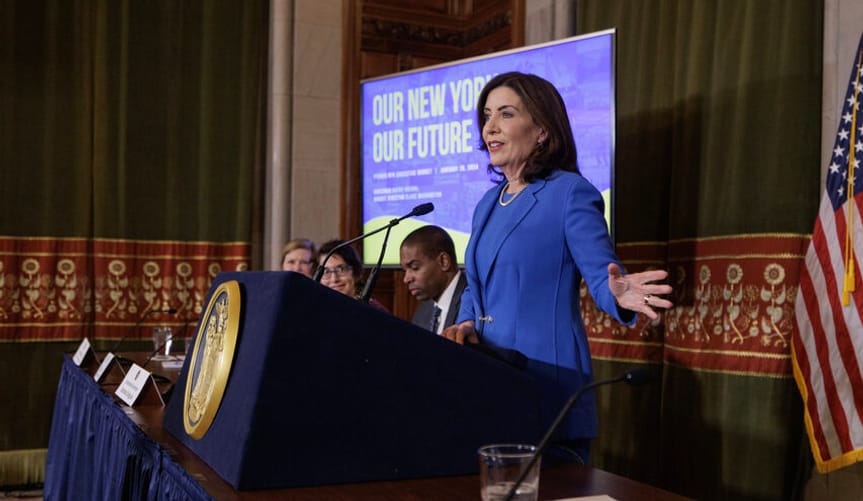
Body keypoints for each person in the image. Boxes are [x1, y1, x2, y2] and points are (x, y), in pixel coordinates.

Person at [441, 72, 672, 464]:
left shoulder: (570, 193)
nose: (490, 127)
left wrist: (617, 292)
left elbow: (601, 274)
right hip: (488, 378)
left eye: (506, 114)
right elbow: (477, 288)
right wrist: (465, 323)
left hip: (544, 384)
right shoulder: (486, 203)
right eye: (486, 115)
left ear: (543, 130)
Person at [399, 225, 467, 334]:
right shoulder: (423, 311)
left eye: (415, 268)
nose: (406, 279)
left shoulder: (474, 302)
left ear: (444, 261)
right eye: (404, 270)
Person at [317, 239, 389, 312]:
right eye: (326, 271)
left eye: (341, 269)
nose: (334, 279)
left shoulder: (375, 311)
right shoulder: (315, 310)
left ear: (356, 273)